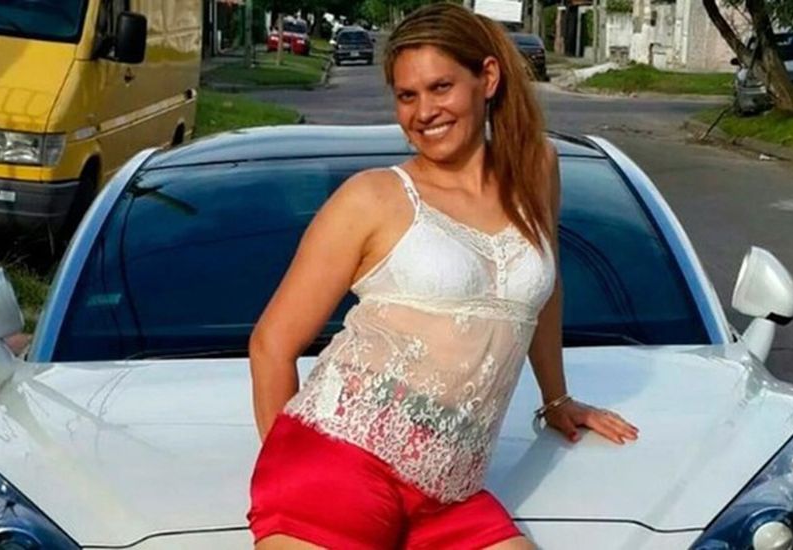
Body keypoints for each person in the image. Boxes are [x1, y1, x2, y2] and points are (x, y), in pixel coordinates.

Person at [247, 4, 639, 548]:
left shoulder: (537, 169)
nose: (424, 111)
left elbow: (543, 296)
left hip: (451, 493)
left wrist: (557, 399)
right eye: (407, 96)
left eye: (440, 87)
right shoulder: (373, 197)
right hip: (338, 462)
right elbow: (271, 344)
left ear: (488, 78)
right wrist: (289, 466)